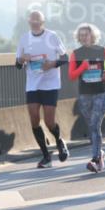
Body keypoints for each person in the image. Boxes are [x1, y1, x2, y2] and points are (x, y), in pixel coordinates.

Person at [16, 10, 69, 168]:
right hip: (32, 84)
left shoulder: (52, 36)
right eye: (32, 21)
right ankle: (46, 156)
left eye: (38, 21)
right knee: (33, 119)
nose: (35, 24)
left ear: (43, 22)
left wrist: (51, 64)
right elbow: (18, 65)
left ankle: (59, 141)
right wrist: (21, 59)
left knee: (49, 121)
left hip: (50, 83)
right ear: (29, 22)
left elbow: (65, 58)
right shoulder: (24, 39)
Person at [68, 23, 105, 172]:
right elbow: (71, 75)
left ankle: (95, 159)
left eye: (86, 34)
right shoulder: (75, 54)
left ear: (92, 36)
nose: (83, 37)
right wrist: (83, 67)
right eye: (81, 35)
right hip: (85, 95)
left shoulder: (102, 50)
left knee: (95, 124)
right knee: (92, 127)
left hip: (101, 92)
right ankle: (99, 153)